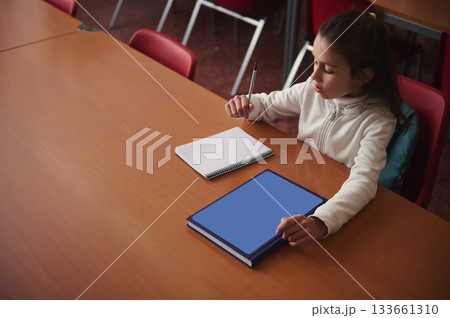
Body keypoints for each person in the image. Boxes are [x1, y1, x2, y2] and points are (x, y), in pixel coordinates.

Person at [224, 11, 409, 246]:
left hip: (335, 203)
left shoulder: (378, 121)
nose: (313, 75)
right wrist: (248, 105)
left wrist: (322, 221)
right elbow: (269, 105)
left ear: (362, 76)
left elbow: (364, 182)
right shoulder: (313, 88)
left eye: (328, 70)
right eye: (314, 61)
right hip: (296, 185)